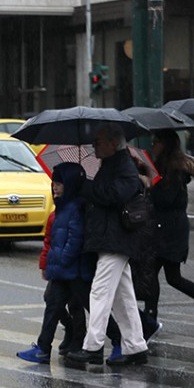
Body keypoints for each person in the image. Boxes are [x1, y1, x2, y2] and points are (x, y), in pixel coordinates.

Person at [66, 123, 149, 367]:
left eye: (99, 142)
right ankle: (136, 347)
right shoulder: (112, 165)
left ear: (114, 144)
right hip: (110, 238)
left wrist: (86, 185)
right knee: (123, 297)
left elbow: (113, 195)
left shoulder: (124, 167)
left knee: (100, 292)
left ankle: (93, 347)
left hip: (117, 239)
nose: (95, 146)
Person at [17, 162, 92, 363]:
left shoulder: (75, 208)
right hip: (62, 270)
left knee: (89, 307)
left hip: (73, 270)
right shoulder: (61, 208)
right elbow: (51, 240)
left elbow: (74, 241)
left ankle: (118, 338)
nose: (55, 187)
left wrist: (59, 260)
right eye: (53, 183)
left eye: (59, 183)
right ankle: (43, 348)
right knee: (52, 305)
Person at [147, 129, 194, 329]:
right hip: (169, 229)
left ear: (165, 144)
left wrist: (150, 183)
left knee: (156, 274)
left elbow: (165, 199)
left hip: (168, 231)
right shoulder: (166, 165)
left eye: (156, 141)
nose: (153, 145)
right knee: (172, 277)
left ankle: (150, 320)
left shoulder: (173, 169)